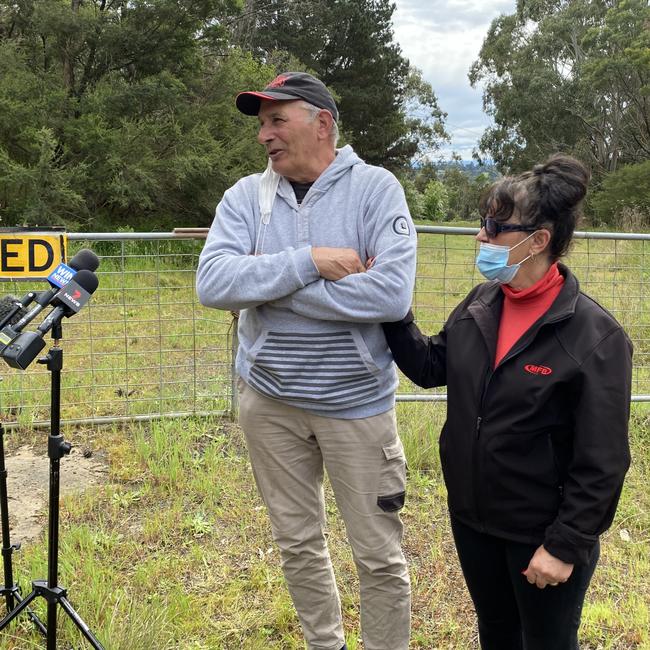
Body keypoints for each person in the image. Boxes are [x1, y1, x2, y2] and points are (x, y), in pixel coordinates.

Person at [196, 71, 416, 650]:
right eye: (261, 123)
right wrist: (312, 260)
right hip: (268, 402)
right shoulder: (244, 196)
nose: (263, 135)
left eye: (276, 119)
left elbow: (390, 295)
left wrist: (266, 283)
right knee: (297, 542)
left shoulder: (376, 189)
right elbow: (214, 282)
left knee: (377, 553)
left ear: (321, 123)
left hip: (356, 406)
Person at [381, 154, 632, 650]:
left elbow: (603, 461)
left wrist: (563, 546)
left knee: (547, 641)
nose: (480, 236)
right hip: (473, 518)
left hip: (540, 533)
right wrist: (390, 311)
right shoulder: (481, 303)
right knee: (496, 631)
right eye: (482, 223)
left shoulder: (595, 337)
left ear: (538, 240)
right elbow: (433, 367)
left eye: (495, 227)